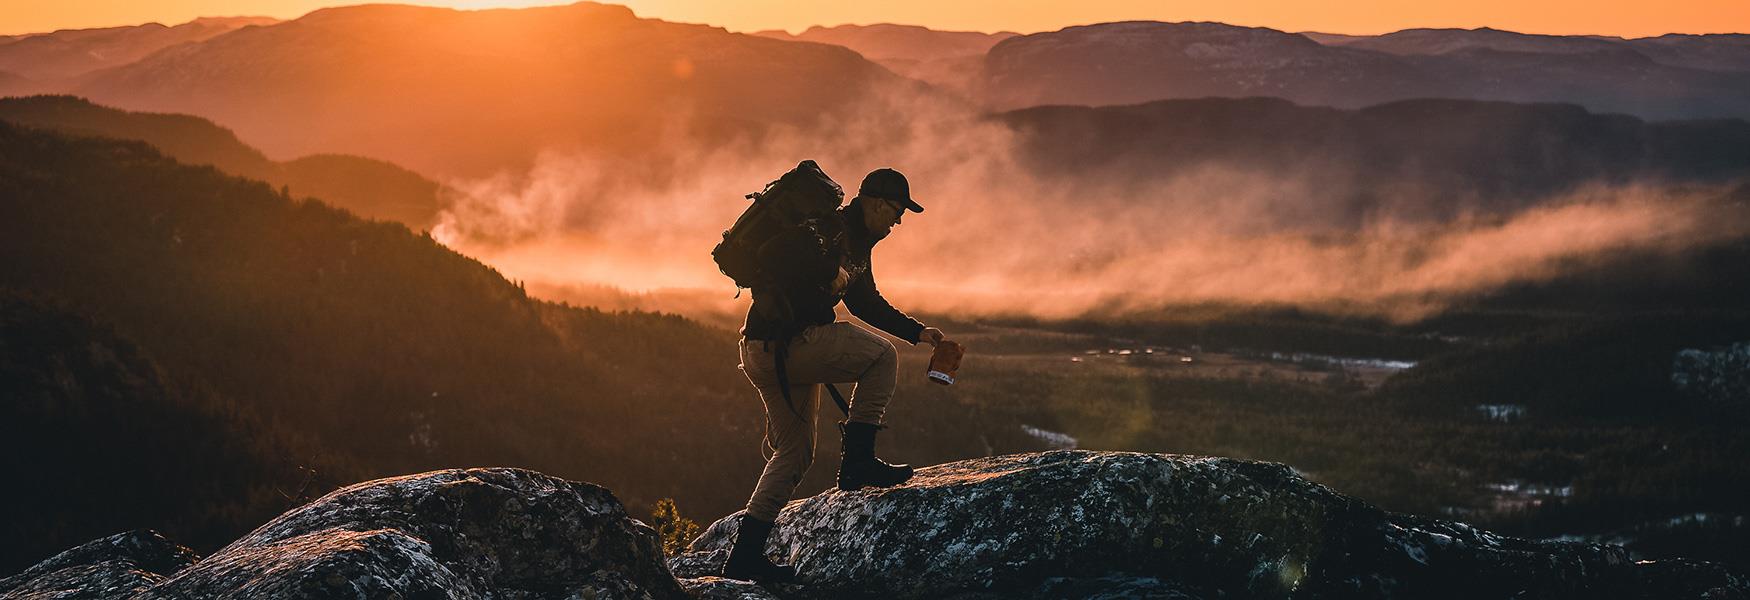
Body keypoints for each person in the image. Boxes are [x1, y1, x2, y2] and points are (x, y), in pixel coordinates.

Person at [721, 167, 947, 584]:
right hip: (787, 345)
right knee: (881, 357)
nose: (897, 222)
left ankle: (744, 557)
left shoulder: (855, 242)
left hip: (763, 349)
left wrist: (918, 332)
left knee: (794, 453)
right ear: (876, 202)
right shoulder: (829, 227)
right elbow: (773, 255)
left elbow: (865, 302)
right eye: (897, 212)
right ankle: (858, 463)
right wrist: (828, 273)